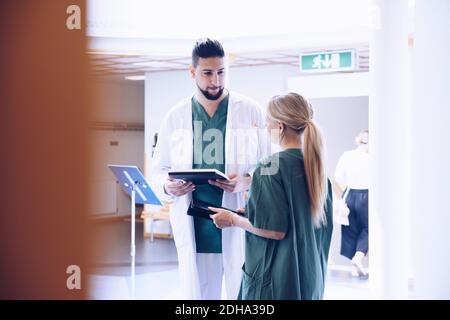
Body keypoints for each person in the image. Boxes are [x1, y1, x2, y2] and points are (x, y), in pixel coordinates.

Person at [149, 38, 268, 299]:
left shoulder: (251, 111)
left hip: (239, 219)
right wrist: (168, 186)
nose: (216, 80)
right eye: (207, 73)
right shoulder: (175, 116)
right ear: (192, 73)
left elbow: (271, 165)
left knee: (244, 294)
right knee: (201, 296)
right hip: (196, 223)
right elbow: (158, 170)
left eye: (221, 72)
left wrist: (246, 181)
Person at [210, 93, 333, 300]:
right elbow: (299, 219)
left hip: (276, 283)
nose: (265, 128)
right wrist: (251, 212)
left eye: (267, 123)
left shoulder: (270, 167)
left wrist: (232, 219)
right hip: (310, 279)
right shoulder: (318, 172)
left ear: (281, 127)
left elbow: (274, 230)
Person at [333, 130, 369, 278]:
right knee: (368, 229)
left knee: (351, 231)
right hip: (368, 195)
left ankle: (355, 265)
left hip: (349, 195)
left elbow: (335, 181)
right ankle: (358, 258)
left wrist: (342, 198)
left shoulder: (347, 155)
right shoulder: (373, 157)